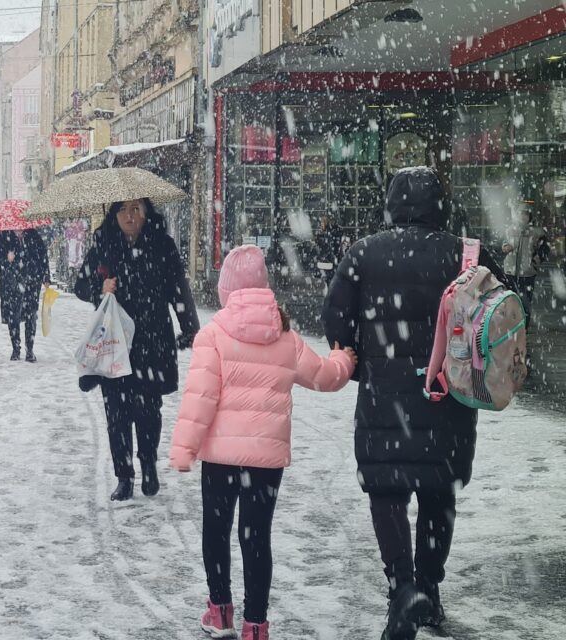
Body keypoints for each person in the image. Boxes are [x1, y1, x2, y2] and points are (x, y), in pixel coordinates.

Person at [322, 167, 506, 640]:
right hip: (448, 395)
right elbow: (503, 319)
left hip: (384, 399)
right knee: (437, 493)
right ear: (439, 204)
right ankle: (428, 589)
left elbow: (335, 320)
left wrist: (367, 365)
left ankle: (401, 586)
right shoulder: (466, 256)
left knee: (387, 492)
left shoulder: (363, 252)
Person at [171, 244, 356, 640]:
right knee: (256, 537)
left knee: (216, 531)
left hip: (220, 458)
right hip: (265, 461)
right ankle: (256, 624)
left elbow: (199, 401)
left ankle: (219, 611)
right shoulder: (285, 336)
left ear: (226, 292)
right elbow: (323, 376)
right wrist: (345, 360)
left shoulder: (213, 335)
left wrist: (184, 448)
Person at [74, 199, 199, 500]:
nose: (129, 216)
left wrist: (189, 326)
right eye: (122, 210)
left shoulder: (162, 245)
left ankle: (148, 464)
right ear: (113, 215)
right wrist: (99, 287)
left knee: (148, 412)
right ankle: (124, 476)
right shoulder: (104, 244)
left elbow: (178, 288)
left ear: (146, 212)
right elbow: (79, 284)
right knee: (116, 412)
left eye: (135, 209)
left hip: (152, 341)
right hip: (114, 343)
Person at [0, 227, 49, 362]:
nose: (18, 229)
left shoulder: (33, 235)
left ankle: (29, 349)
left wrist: (46, 276)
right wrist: (7, 259)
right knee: (13, 317)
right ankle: (16, 348)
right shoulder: (4, 237)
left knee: (31, 315)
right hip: (11, 284)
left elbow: (43, 256)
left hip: (31, 282)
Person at [501, 208, 551, 329]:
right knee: (509, 300)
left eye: (526, 214)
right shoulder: (510, 229)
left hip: (527, 273)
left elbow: (544, 249)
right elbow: (500, 244)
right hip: (510, 271)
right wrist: (504, 247)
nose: (523, 217)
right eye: (520, 214)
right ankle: (509, 328)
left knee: (525, 302)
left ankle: (523, 328)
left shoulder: (537, 232)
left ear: (530, 216)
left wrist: (534, 261)